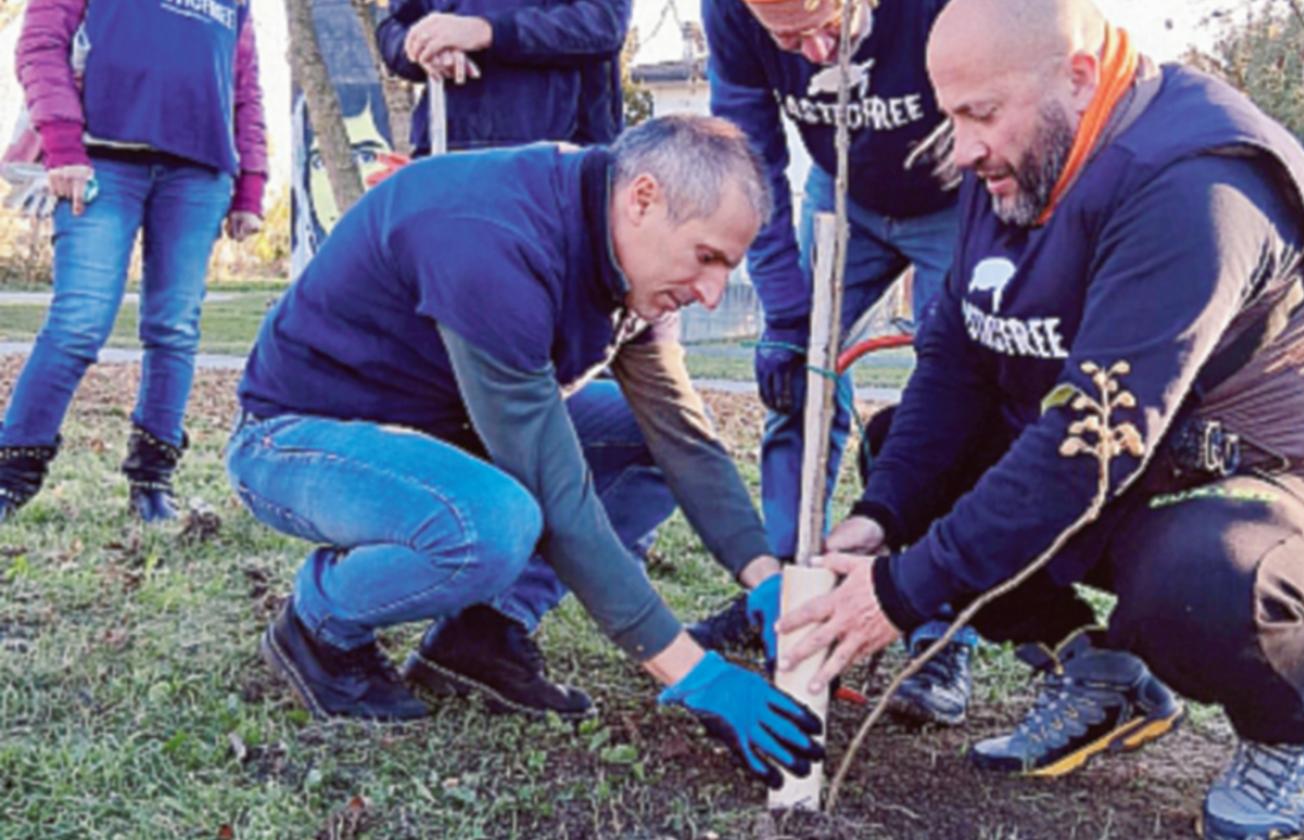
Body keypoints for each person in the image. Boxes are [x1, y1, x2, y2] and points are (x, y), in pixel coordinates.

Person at [775, 0, 1304, 836]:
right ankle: (1099, 673)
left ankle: (1296, 725)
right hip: (1139, 469)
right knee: (911, 463)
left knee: (1195, 582)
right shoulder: (1013, 154)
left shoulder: (1197, 187)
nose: (961, 149)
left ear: (1077, 76)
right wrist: (879, 517)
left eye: (981, 115)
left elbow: (1088, 443)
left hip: (1282, 485)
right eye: (951, 115)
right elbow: (959, 358)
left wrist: (896, 595)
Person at [228, 114, 822, 789]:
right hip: (293, 439)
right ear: (644, 199)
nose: (712, 292)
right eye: (706, 257)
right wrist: (697, 674)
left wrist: (763, 575)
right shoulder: (495, 242)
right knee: (490, 524)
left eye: (728, 266)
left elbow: (679, 434)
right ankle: (317, 625)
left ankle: (480, 635)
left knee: (643, 442)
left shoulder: (624, 252)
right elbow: (558, 496)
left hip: (436, 435)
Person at [693, 0, 977, 727]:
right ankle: (791, 585)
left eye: (828, 24)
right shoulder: (730, 12)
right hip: (842, 196)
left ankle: (938, 622)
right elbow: (751, 158)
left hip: (959, 202)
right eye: (789, 39)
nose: (816, 53)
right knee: (798, 382)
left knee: (963, 397)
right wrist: (789, 314)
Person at [0, 0, 267, 524]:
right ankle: (12, 475)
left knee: (174, 328)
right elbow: (40, 44)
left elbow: (246, 87)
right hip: (100, 160)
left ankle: (152, 480)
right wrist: (62, 146)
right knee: (79, 322)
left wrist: (251, 187)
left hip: (199, 173)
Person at [376, 0, 629, 155]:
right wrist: (423, 47)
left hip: (560, 157)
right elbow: (394, 27)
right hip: (449, 150)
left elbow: (604, 23)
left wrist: (488, 31)